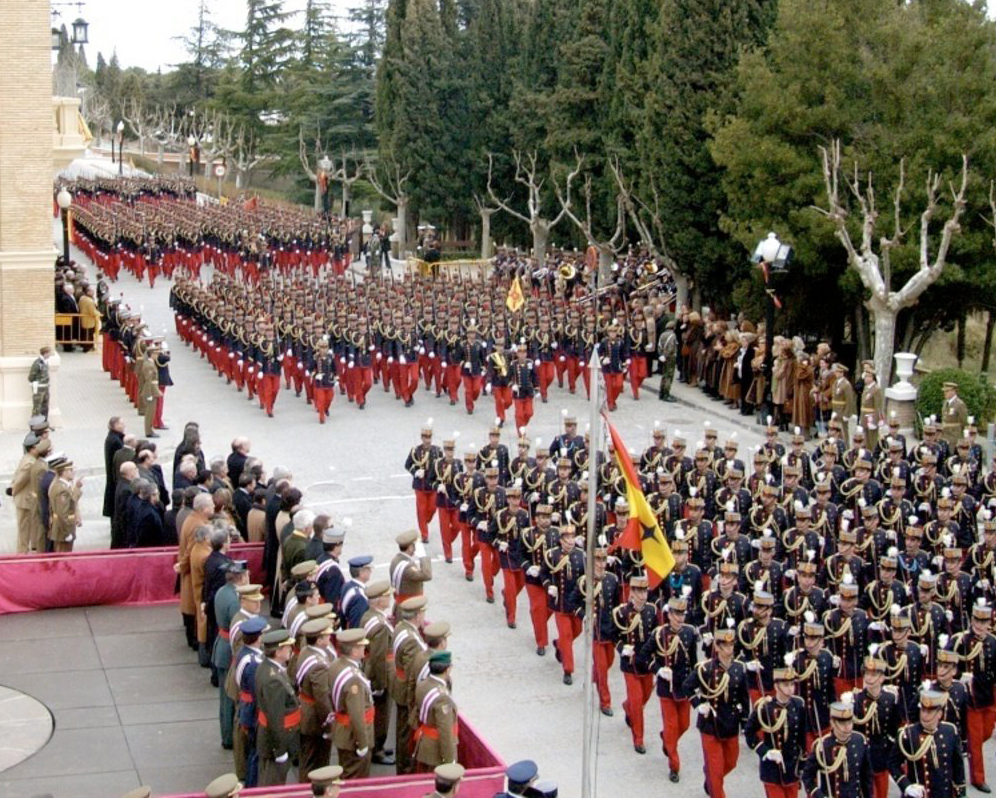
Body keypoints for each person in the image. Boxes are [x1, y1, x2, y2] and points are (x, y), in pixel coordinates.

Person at [682, 623, 749, 798]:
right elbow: (687, 687)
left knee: (731, 762)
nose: (729, 648)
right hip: (710, 724)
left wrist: (744, 722)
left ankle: (711, 779)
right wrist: (698, 704)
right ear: (717, 647)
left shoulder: (739, 669)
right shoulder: (705, 669)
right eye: (725, 645)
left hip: (731, 724)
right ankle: (714, 785)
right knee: (716, 768)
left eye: (731, 644)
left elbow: (744, 698)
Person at [744, 661, 807, 798]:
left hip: (792, 767)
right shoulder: (765, 707)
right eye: (786, 685)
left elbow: (802, 737)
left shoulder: (799, 705)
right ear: (776, 686)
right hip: (772, 769)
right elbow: (749, 732)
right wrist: (765, 752)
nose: (790, 689)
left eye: (792, 684)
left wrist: (802, 764)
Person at [888, 690, 965, 798]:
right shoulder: (908, 734)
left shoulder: (950, 731)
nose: (924, 715)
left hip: (944, 793)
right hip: (919, 794)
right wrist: (906, 786)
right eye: (922, 710)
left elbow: (958, 765)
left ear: (939, 714)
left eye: (929, 712)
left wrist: (961, 793)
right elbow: (893, 764)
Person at [254, 628, 300, 787]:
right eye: (287, 647)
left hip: (277, 737)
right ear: (278, 651)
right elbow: (275, 718)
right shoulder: (273, 679)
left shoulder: (270, 668)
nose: (290, 650)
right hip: (277, 741)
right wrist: (279, 751)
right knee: (272, 785)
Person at [802, 698, 873, 798]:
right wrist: (819, 795)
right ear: (833, 723)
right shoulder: (822, 746)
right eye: (843, 724)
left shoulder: (860, 741)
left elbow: (866, 777)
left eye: (849, 723)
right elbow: (807, 776)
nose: (847, 727)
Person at [329, 627, 375, 779]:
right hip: (353, 737)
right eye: (361, 646)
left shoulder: (337, 665)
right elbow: (356, 715)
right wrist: (362, 743)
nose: (364, 648)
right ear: (354, 651)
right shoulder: (353, 679)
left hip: (343, 731)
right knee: (356, 778)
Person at [412, 650, 459, 772]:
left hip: (424, 744)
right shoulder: (443, 698)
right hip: (436, 753)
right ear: (447, 670)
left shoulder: (423, 685)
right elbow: (445, 731)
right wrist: (450, 760)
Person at [47, 459, 82, 552]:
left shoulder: (64, 486)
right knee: (63, 556)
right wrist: (67, 533)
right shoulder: (61, 489)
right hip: (63, 530)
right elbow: (62, 513)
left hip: (63, 528)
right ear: (64, 472)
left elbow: (71, 502)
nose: (73, 472)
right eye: (70, 470)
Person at [940, 381, 969, 449]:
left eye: (947, 391)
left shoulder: (959, 404)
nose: (945, 393)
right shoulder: (945, 403)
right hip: (945, 435)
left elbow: (964, 421)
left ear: (953, 391)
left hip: (954, 436)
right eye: (944, 391)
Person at [27, 346, 52, 420]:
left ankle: (43, 425)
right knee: (37, 409)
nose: (50, 354)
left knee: (45, 407)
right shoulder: (37, 363)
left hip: (45, 388)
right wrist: (37, 383)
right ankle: (34, 427)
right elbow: (31, 377)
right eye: (49, 353)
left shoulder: (45, 362)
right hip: (39, 390)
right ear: (45, 353)